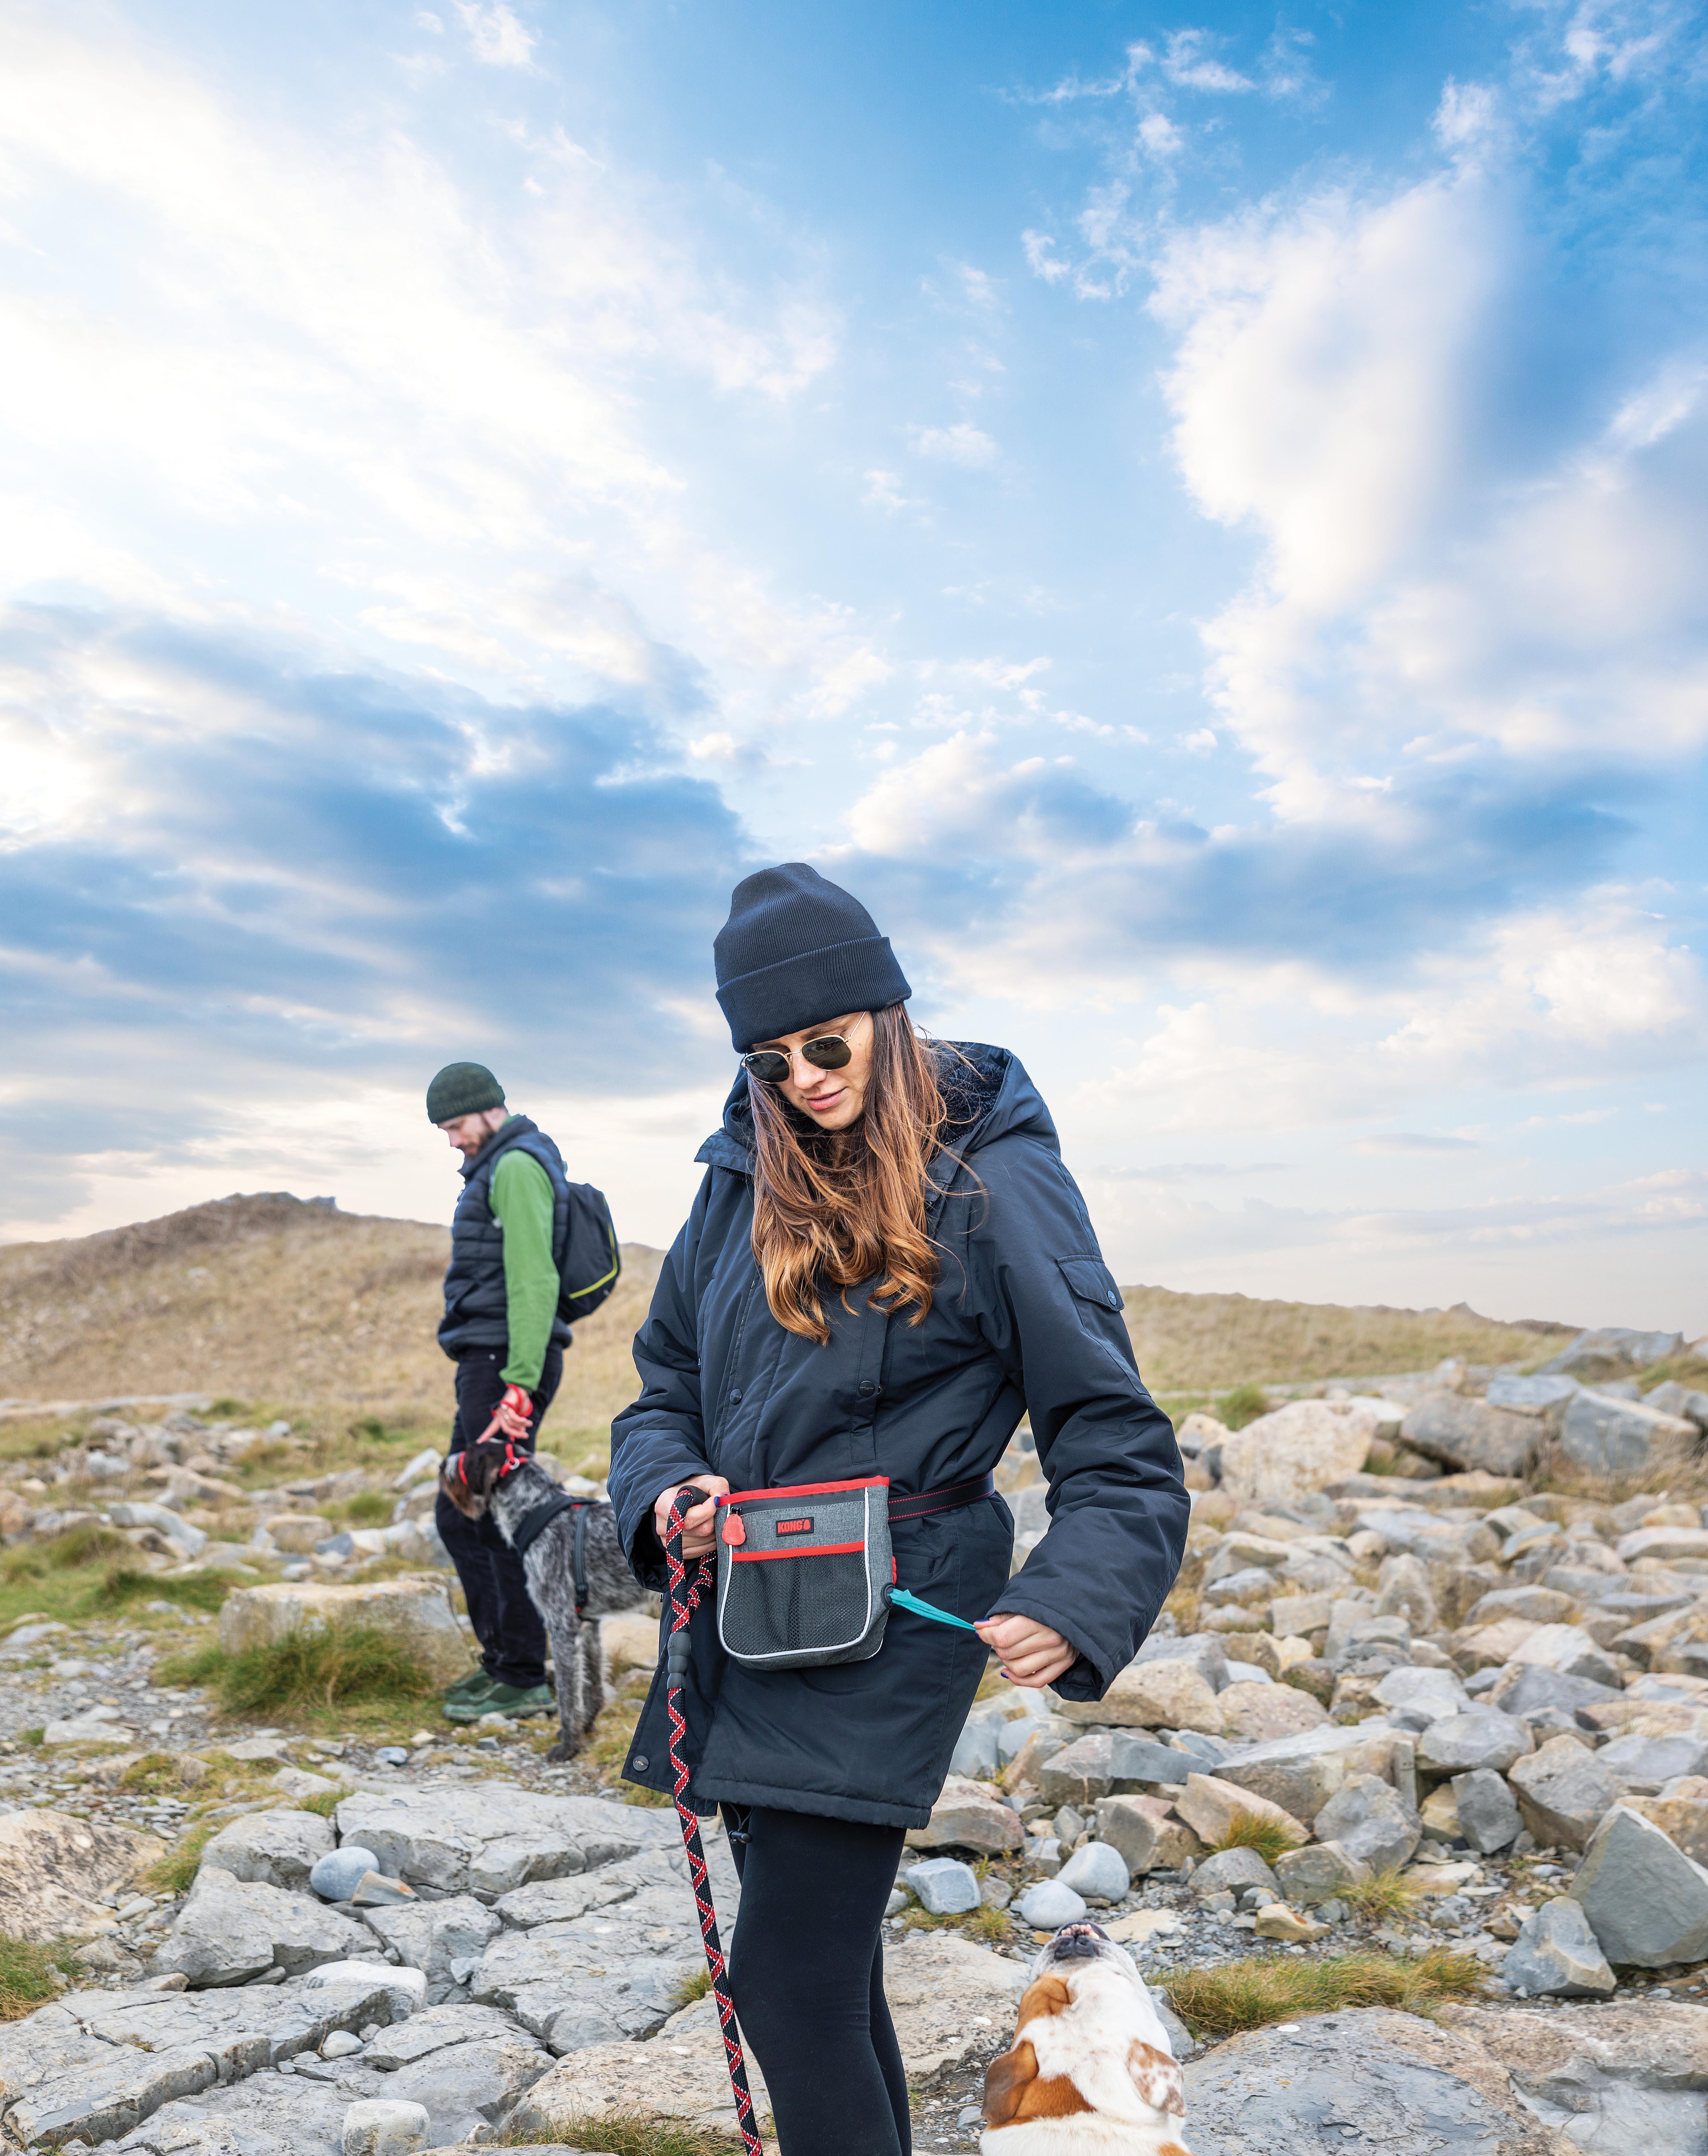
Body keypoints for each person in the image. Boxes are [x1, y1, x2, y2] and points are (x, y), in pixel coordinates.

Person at [606, 864, 1189, 2156]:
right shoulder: (734, 1180)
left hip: (898, 1602)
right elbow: (659, 1394)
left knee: (786, 1983)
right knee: (824, 1973)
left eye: (828, 1043)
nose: (805, 1077)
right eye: (771, 1059)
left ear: (886, 1013)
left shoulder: (990, 1182)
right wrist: (668, 1493)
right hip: (751, 1606)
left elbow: (1111, 1431)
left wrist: (1072, 1595)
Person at [428, 1059, 573, 1725]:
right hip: (489, 1361)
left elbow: (534, 1281)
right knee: (466, 1515)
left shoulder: (515, 1167)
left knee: (483, 1517)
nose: (452, 1139)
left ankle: (521, 1675)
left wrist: (517, 1385)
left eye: (455, 1124)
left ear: (489, 1110)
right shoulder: (497, 1165)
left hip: (502, 1366)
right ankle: (507, 1667)